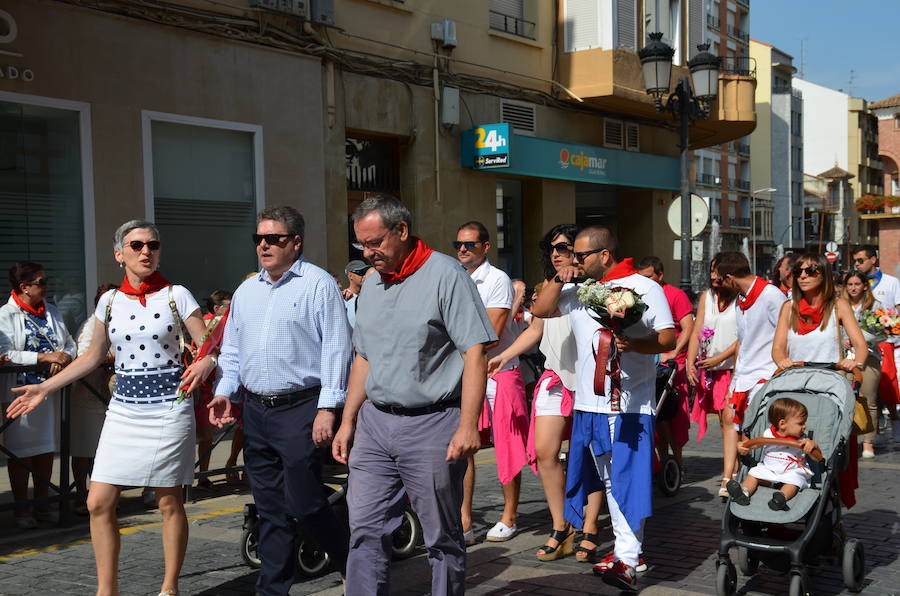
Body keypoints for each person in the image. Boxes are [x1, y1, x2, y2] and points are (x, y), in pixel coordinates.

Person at [6, 221, 217, 596]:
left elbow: (208, 347)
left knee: (168, 502)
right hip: (123, 409)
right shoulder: (109, 301)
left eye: (152, 245)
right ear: (120, 255)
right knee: (97, 502)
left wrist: (205, 362)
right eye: (136, 245)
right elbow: (91, 357)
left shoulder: (177, 294)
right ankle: (108, 591)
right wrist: (45, 388)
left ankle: (169, 588)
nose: (145, 252)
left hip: (169, 408)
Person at [331, 195, 495, 596]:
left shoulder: (446, 274)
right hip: (374, 425)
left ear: (401, 231)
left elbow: (474, 352)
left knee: (440, 535)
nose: (368, 254)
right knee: (365, 529)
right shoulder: (370, 283)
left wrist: (467, 425)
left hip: (433, 423)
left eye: (375, 243)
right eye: (361, 245)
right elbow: (364, 357)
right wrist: (348, 421)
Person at [207, 205, 352, 596]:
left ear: (296, 242)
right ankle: (272, 590)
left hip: (301, 407)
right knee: (269, 509)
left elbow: (337, 349)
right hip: (256, 410)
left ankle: (349, 563)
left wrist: (327, 408)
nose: (265, 245)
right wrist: (224, 392)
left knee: (305, 502)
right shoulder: (246, 290)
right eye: (259, 239)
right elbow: (233, 350)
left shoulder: (318, 285)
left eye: (274, 238)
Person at [531, 226, 675, 591]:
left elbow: (667, 337)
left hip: (629, 404)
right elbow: (542, 309)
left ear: (605, 255)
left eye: (580, 256)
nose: (574, 261)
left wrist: (633, 344)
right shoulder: (578, 291)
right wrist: (556, 275)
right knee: (609, 480)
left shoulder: (645, 287)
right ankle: (631, 551)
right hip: (588, 402)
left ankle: (627, 558)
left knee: (627, 478)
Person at [486, 224, 583, 562]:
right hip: (555, 377)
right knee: (545, 452)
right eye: (552, 248)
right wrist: (504, 354)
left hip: (589, 382)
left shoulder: (595, 288)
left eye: (565, 247)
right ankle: (561, 526)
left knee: (593, 458)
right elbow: (536, 329)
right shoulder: (548, 288)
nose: (557, 254)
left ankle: (591, 526)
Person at [454, 220, 530, 544]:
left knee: (507, 445)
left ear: (485, 247)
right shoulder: (454, 279)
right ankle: (464, 521)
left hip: (499, 371)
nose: (461, 249)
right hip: (464, 371)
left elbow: (492, 332)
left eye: (469, 244)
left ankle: (509, 515)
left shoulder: (496, 279)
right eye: (458, 243)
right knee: (464, 447)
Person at [772, 253, 867, 508]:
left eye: (810, 271)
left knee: (827, 450)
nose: (802, 276)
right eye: (798, 271)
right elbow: (778, 348)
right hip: (796, 389)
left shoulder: (838, 305)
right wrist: (782, 360)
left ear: (823, 274)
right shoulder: (788, 307)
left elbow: (860, 346)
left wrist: (853, 361)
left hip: (829, 388)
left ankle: (828, 510)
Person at [0, 262, 77, 529]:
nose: (47, 286)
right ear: (24, 287)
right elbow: (6, 353)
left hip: (51, 391)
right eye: (42, 282)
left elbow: (69, 342)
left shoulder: (52, 311)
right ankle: (22, 509)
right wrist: (44, 356)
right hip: (20, 393)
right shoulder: (5, 315)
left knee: (46, 449)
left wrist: (65, 355)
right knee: (21, 452)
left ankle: (42, 504)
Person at [685, 256, 739, 498]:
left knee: (732, 421)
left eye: (720, 272)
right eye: (712, 271)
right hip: (713, 371)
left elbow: (744, 337)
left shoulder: (742, 298)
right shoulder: (708, 296)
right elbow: (697, 330)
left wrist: (720, 358)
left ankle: (730, 475)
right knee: (725, 421)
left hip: (735, 368)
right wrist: (690, 361)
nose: (714, 277)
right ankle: (734, 471)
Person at [715, 252, 786, 431]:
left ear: (730, 278)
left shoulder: (771, 295)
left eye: (720, 281)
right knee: (733, 429)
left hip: (766, 377)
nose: (719, 286)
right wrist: (734, 380)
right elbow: (743, 342)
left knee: (757, 436)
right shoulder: (740, 299)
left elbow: (788, 335)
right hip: (744, 378)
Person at [636, 256, 694, 471]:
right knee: (657, 416)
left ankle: (678, 462)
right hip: (649, 360)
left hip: (671, 363)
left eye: (649, 276)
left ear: (660, 275)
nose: (645, 281)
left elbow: (688, 327)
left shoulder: (676, 295)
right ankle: (662, 463)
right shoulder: (640, 294)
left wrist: (674, 352)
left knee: (674, 416)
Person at [70, 283, 118, 513]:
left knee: (102, 452)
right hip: (87, 395)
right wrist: (109, 357)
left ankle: (101, 498)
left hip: (107, 398)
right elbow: (83, 356)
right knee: (84, 450)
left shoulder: (121, 323)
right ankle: (81, 495)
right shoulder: (90, 326)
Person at [727, 397, 819, 511]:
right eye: (801, 423)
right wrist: (745, 446)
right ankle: (743, 493)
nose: (805, 426)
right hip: (769, 470)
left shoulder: (803, 439)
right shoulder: (768, 433)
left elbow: (816, 457)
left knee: (795, 481)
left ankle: (781, 498)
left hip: (791, 471)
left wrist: (813, 446)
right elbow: (755, 444)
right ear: (782, 424)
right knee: (754, 474)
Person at [842, 271, 887, 458]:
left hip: (869, 358)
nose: (853, 288)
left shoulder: (875, 306)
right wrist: (843, 339)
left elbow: (884, 331)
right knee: (845, 399)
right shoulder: (839, 305)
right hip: (844, 359)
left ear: (865, 286)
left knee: (869, 400)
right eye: (850, 284)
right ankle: (846, 439)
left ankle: (868, 442)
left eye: (857, 284)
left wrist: (865, 339)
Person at [853, 246, 900, 421]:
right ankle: (873, 427)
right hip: (861, 345)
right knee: (867, 387)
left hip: (888, 341)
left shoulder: (892, 282)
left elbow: (898, 310)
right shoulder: (855, 282)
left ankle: (894, 418)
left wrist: (891, 327)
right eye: (855, 261)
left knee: (888, 383)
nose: (856, 265)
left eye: (860, 260)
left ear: (873, 260)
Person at [195, 289, 233, 488]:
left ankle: (203, 475)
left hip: (213, 385)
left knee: (207, 436)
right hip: (201, 386)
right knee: (203, 435)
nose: (232, 308)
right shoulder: (209, 323)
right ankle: (195, 477)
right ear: (217, 308)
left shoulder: (224, 323)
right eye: (228, 305)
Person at [343, 259, 372, 328]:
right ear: (350, 276)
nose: (364, 276)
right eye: (360, 272)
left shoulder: (368, 296)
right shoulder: (343, 298)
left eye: (365, 272)